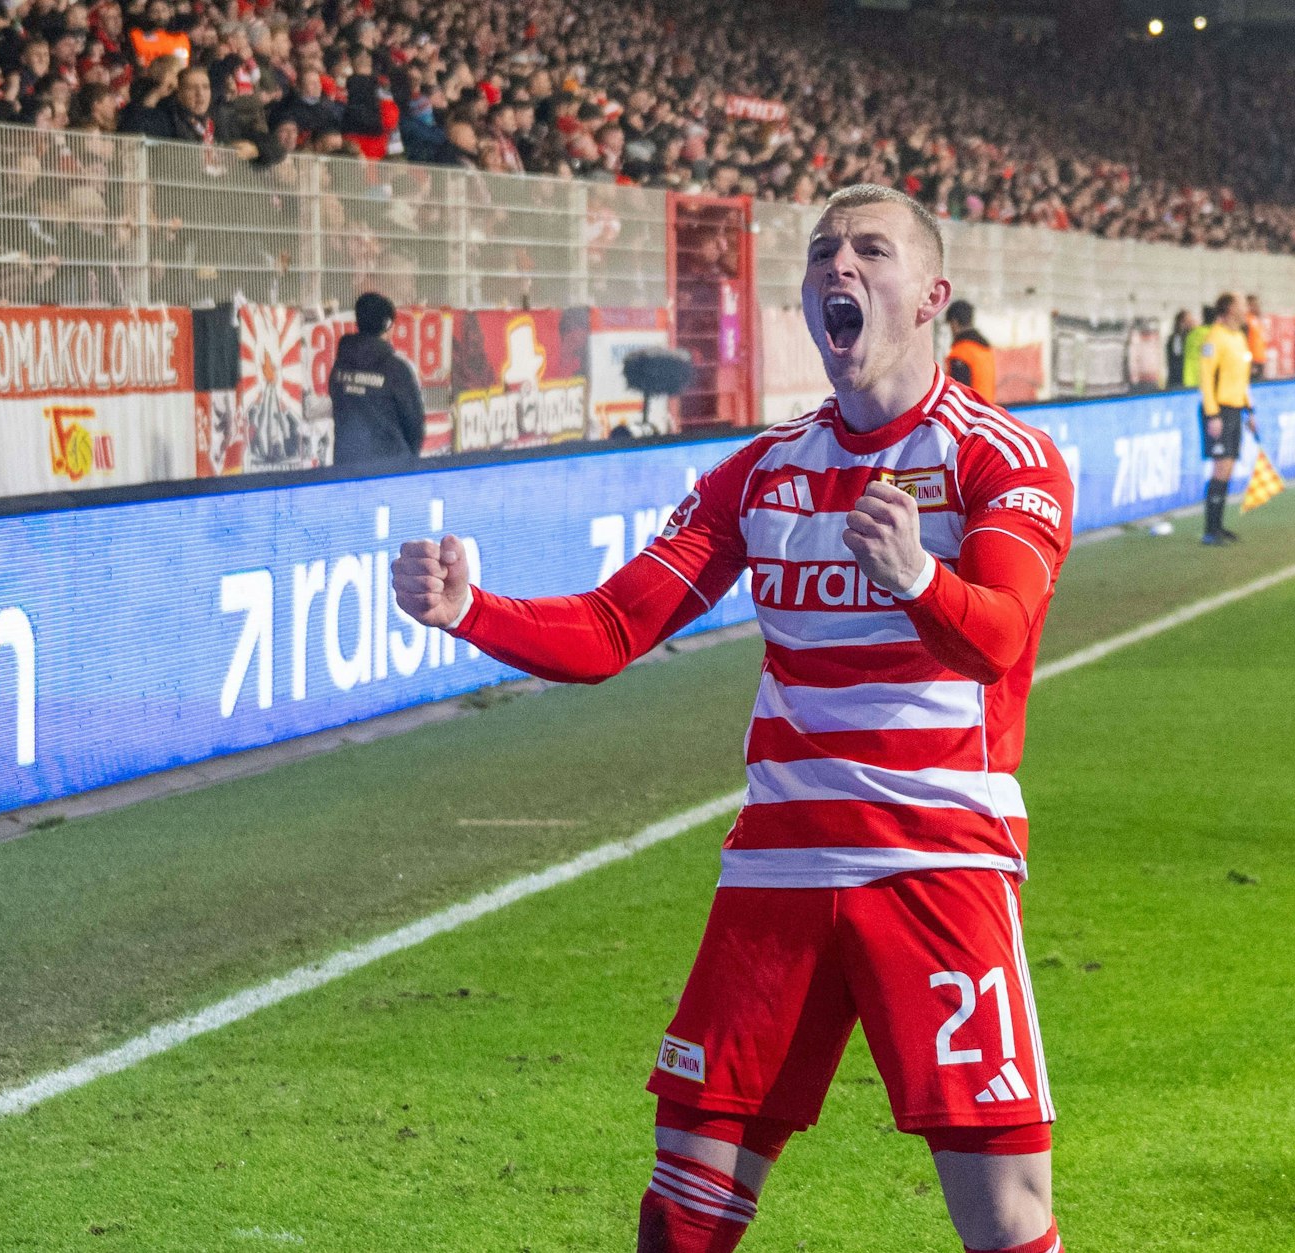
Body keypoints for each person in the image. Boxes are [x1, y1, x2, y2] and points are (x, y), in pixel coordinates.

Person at [393, 183, 1072, 1253]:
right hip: (778, 874)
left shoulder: (998, 459)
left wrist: (913, 578)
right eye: (820, 252)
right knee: (681, 1206)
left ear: (931, 293)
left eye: (869, 250)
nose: (837, 267)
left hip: (937, 863)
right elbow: (614, 624)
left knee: (1004, 1217)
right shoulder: (763, 472)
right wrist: (468, 609)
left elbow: (996, 634)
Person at [330, 292, 424, 467]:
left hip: (347, 468)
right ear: (388, 325)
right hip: (390, 470)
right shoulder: (396, 370)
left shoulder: (340, 365)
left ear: (358, 323)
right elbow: (414, 427)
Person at [1198, 292, 1254, 546]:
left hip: (1235, 410)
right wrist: (1212, 414)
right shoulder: (1215, 337)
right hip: (1219, 410)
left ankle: (1218, 526)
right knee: (1220, 467)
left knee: (1228, 467)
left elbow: (1242, 380)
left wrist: (1249, 410)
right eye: (1241, 305)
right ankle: (1209, 529)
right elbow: (1206, 377)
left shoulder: (1239, 337)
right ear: (1230, 309)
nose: (1246, 309)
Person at [944, 299, 996, 404]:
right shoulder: (985, 350)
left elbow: (957, 397)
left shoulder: (960, 354)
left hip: (969, 417)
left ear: (954, 323)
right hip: (987, 414)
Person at [1182, 303, 1216, 391]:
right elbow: (1209, 357)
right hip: (1201, 379)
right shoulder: (1212, 335)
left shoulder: (1192, 334)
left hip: (1188, 377)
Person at [1166, 308, 1192, 388]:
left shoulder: (1185, 337)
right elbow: (1177, 359)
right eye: (1188, 321)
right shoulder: (1177, 338)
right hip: (1178, 381)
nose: (1191, 323)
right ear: (1181, 322)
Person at [1244, 294, 1268, 380]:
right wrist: (1250, 362)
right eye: (1252, 304)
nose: (1255, 307)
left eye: (1256, 304)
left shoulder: (1257, 319)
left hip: (1260, 358)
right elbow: (1245, 342)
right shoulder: (1246, 320)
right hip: (1252, 360)